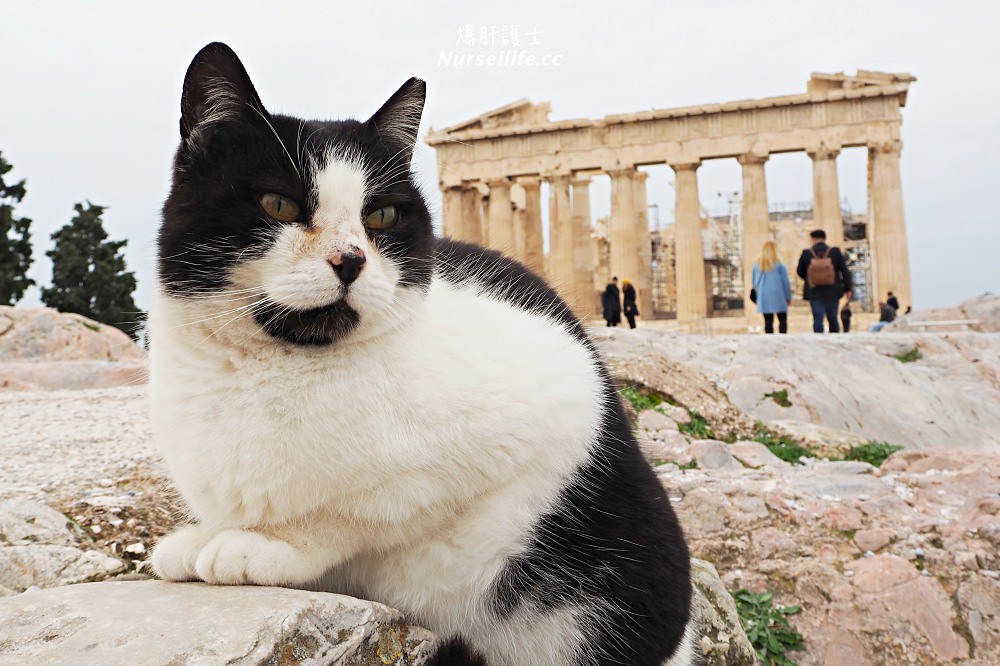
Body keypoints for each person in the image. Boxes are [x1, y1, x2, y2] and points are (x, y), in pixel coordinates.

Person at [796, 229, 853, 333]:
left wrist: (811, 279)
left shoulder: (806, 253)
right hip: (833, 290)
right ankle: (835, 340)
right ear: (825, 239)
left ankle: (819, 340)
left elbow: (799, 271)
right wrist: (848, 288)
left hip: (814, 291)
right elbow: (844, 271)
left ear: (813, 240)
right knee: (833, 318)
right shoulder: (835, 252)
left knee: (818, 318)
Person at [751, 240, 792, 334]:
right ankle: (783, 337)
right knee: (782, 319)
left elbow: (754, 282)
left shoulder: (757, 265)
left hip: (763, 295)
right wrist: (788, 297)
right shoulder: (780, 265)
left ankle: (769, 339)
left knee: (768, 321)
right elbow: (786, 283)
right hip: (779, 295)